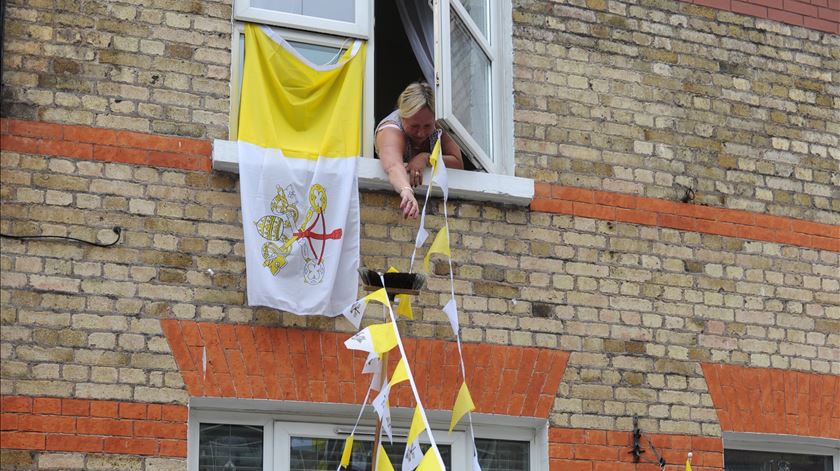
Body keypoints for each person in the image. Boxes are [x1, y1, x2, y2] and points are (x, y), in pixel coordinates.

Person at [376, 82, 463, 219]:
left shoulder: (439, 126)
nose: (421, 133)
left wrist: (427, 158)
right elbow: (393, 165)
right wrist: (406, 191)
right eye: (414, 126)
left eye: (427, 126)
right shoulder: (391, 129)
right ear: (403, 116)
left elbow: (458, 163)